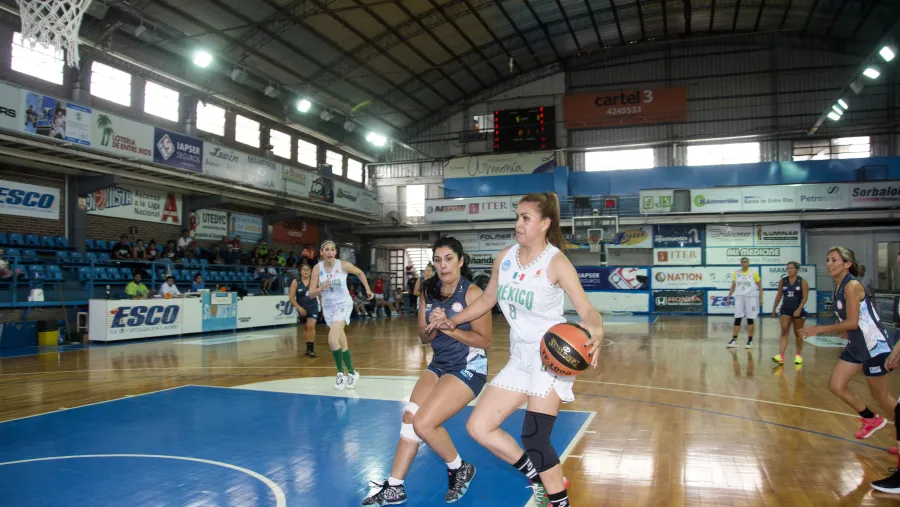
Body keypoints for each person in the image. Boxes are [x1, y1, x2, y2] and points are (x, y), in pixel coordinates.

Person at [426, 192, 603, 507]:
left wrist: (596, 328)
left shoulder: (556, 262)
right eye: (517, 216)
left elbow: (587, 311)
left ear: (545, 223)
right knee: (478, 427)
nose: (518, 224)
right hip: (519, 358)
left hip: (549, 361)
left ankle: (560, 502)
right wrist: (452, 321)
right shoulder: (505, 257)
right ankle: (541, 479)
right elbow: (486, 300)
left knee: (535, 437)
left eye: (526, 218)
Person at [363, 237, 490, 505]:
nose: (443, 266)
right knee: (410, 416)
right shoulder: (427, 292)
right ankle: (395, 487)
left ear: (461, 260)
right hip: (440, 364)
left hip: (469, 367)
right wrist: (430, 325)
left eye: (449, 259)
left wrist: (451, 328)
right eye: (438, 260)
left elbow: (484, 340)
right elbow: (423, 338)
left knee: (424, 423)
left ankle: (459, 468)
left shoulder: (473, 294)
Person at [799, 247, 895, 446]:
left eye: (834, 260)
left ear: (847, 264)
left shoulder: (851, 286)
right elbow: (855, 320)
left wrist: (818, 329)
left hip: (873, 346)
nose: (829, 264)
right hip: (857, 344)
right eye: (828, 260)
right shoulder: (838, 285)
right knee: (836, 386)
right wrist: (847, 331)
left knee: (883, 398)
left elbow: (852, 322)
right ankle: (871, 419)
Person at [307, 240, 374, 390]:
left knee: (332, 339)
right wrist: (321, 288)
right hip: (328, 307)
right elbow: (311, 294)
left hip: (343, 304)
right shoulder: (317, 269)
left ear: (335, 252)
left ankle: (340, 374)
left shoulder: (342, 265)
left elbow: (360, 272)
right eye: (327, 250)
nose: (330, 252)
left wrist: (367, 289)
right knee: (341, 341)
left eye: (332, 249)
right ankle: (352, 373)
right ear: (322, 253)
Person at [771, 262, 809, 365]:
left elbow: (805, 297)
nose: (789, 270)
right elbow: (779, 295)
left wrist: (799, 309)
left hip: (798, 310)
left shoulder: (802, 282)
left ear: (796, 269)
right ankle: (780, 355)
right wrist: (774, 308)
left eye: (791, 268)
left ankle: (798, 355)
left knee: (798, 333)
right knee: (784, 330)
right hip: (785, 309)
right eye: (788, 268)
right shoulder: (783, 281)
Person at [727, 257, 762, 349]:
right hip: (739, 298)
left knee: (750, 319)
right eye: (742, 262)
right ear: (740, 263)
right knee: (737, 318)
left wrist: (761, 298)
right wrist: (729, 296)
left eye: (745, 262)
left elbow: (760, 287)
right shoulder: (736, 273)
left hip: (750, 298)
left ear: (748, 263)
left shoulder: (753, 273)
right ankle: (734, 340)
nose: (743, 263)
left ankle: (750, 341)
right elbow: (733, 286)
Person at [289, 264, 320, 358]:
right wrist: (299, 308)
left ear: (310, 271)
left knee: (311, 326)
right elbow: (291, 298)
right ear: (300, 271)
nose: (305, 271)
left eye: (307, 269)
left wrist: (323, 305)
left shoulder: (315, 281)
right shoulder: (295, 282)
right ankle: (307, 348)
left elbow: (321, 294)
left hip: (313, 307)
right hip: (301, 308)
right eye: (303, 269)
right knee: (305, 328)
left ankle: (311, 349)